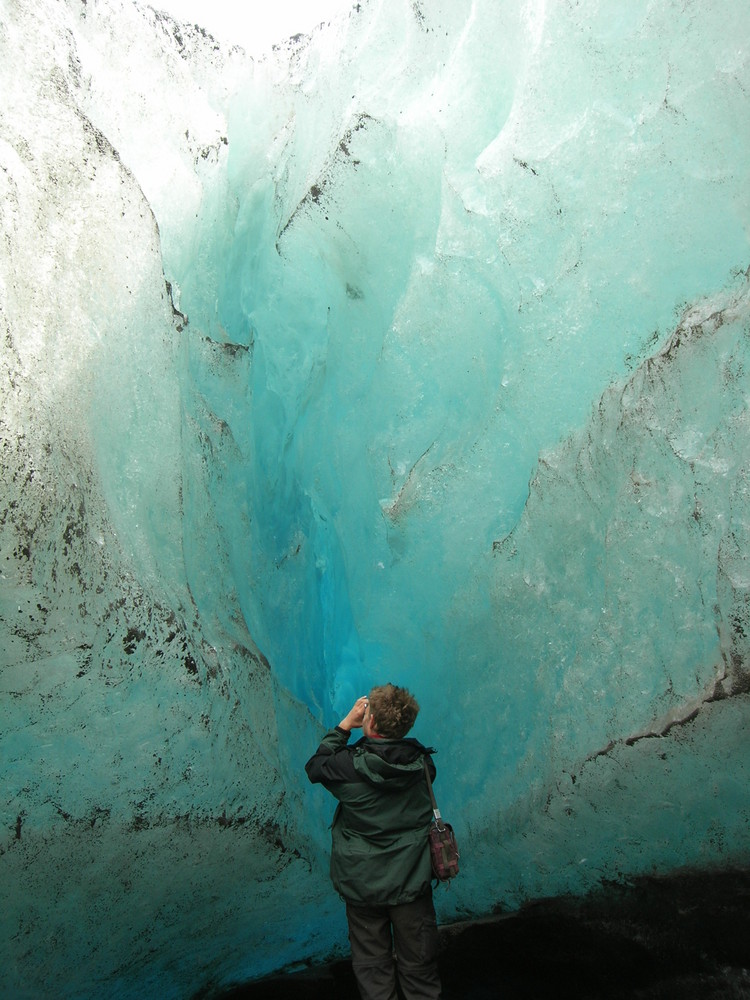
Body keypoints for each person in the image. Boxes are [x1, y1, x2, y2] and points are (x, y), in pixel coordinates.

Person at [305, 683, 442, 1000]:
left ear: (372, 723)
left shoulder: (349, 769)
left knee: (372, 968)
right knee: (420, 969)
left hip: (363, 885)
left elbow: (316, 765)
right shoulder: (423, 767)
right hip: (411, 883)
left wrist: (344, 726)